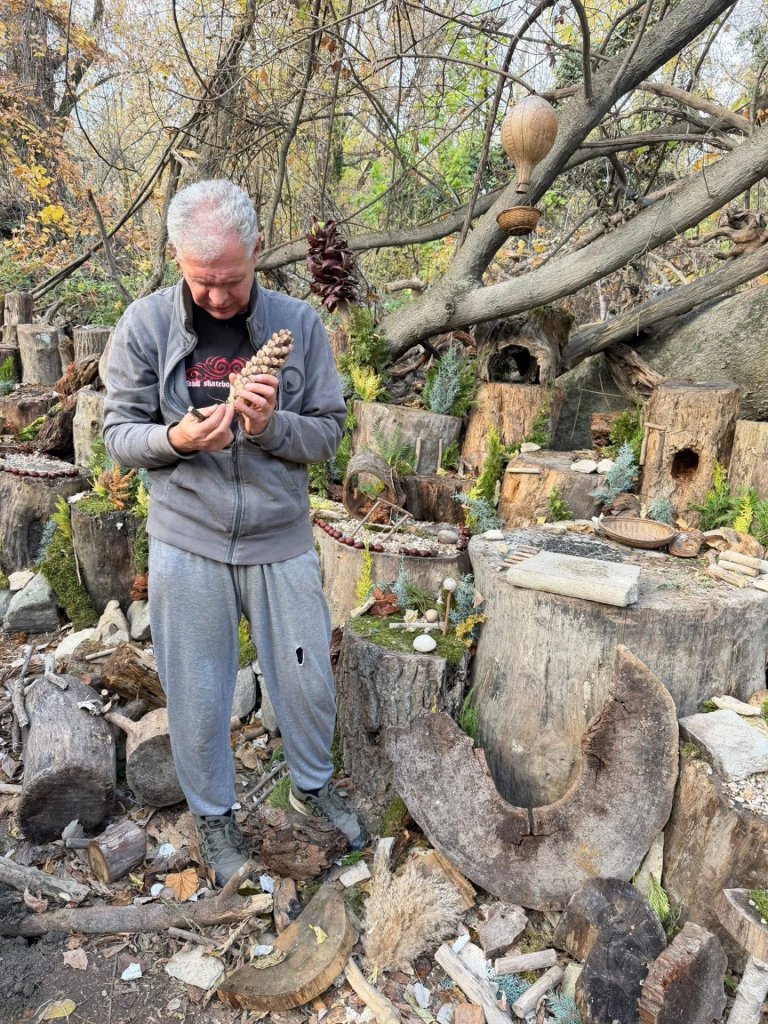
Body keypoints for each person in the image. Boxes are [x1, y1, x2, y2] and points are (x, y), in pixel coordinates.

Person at [104, 178, 367, 885]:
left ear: (256, 250)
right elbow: (117, 434)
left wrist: (268, 425)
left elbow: (327, 436)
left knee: (308, 680)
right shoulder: (146, 325)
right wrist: (178, 438)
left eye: (232, 280)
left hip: (280, 536)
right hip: (187, 536)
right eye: (202, 281)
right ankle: (215, 817)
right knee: (196, 689)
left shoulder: (300, 325)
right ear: (175, 257)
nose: (218, 297)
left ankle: (313, 785)